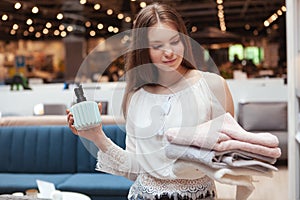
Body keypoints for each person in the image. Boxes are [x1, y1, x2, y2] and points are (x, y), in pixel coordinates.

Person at [67, 3, 234, 200]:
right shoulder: (136, 96)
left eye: (175, 41)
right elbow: (134, 169)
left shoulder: (213, 85)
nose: (169, 52)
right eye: (157, 46)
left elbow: (233, 157)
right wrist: (96, 135)